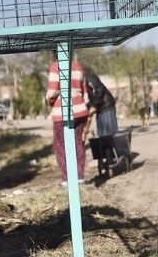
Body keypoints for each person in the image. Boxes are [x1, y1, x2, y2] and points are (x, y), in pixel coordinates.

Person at [46, 54, 90, 185]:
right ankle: (80, 177)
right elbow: (86, 94)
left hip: (62, 112)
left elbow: (52, 92)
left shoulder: (55, 67)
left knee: (60, 144)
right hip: (80, 111)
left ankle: (67, 179)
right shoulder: (78, 67)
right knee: (78, 143)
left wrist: (48, 100)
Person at [82, 70, 118, 139]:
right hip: (100, 108)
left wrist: (94, 105)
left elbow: (99, 89)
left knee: (108, 136)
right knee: (102, 136)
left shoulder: (89, 77)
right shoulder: (82, 82)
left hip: (106, 107)